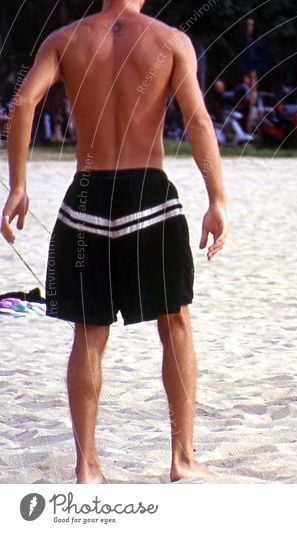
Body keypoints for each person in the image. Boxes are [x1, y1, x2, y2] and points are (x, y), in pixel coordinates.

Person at [1, 0, 228, 483]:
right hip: (149, 194)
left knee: (88, 333)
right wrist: (217, 199)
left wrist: (18, 185)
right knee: (176, 325)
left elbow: (22, 104)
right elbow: (198, 122)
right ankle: (182, 460)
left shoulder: (65, 39)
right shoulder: (170, 40)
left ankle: (87, 467)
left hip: (86, 196)